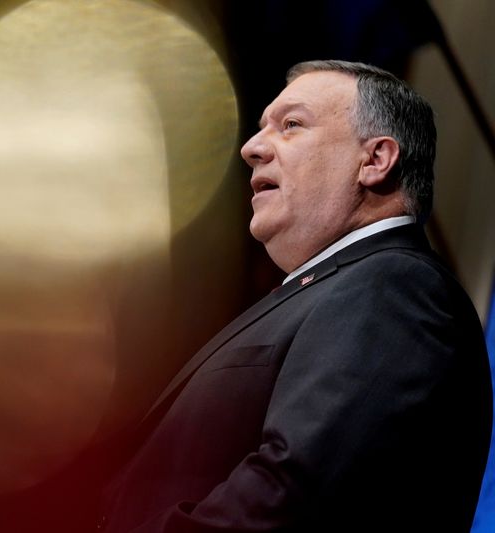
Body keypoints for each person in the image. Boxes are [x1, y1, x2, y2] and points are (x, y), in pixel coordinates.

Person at [96, 60, 493, 532]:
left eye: (291, 125)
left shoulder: (394, 288)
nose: (251, 148)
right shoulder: (338, 288)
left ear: (375, 160)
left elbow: (293, 495)